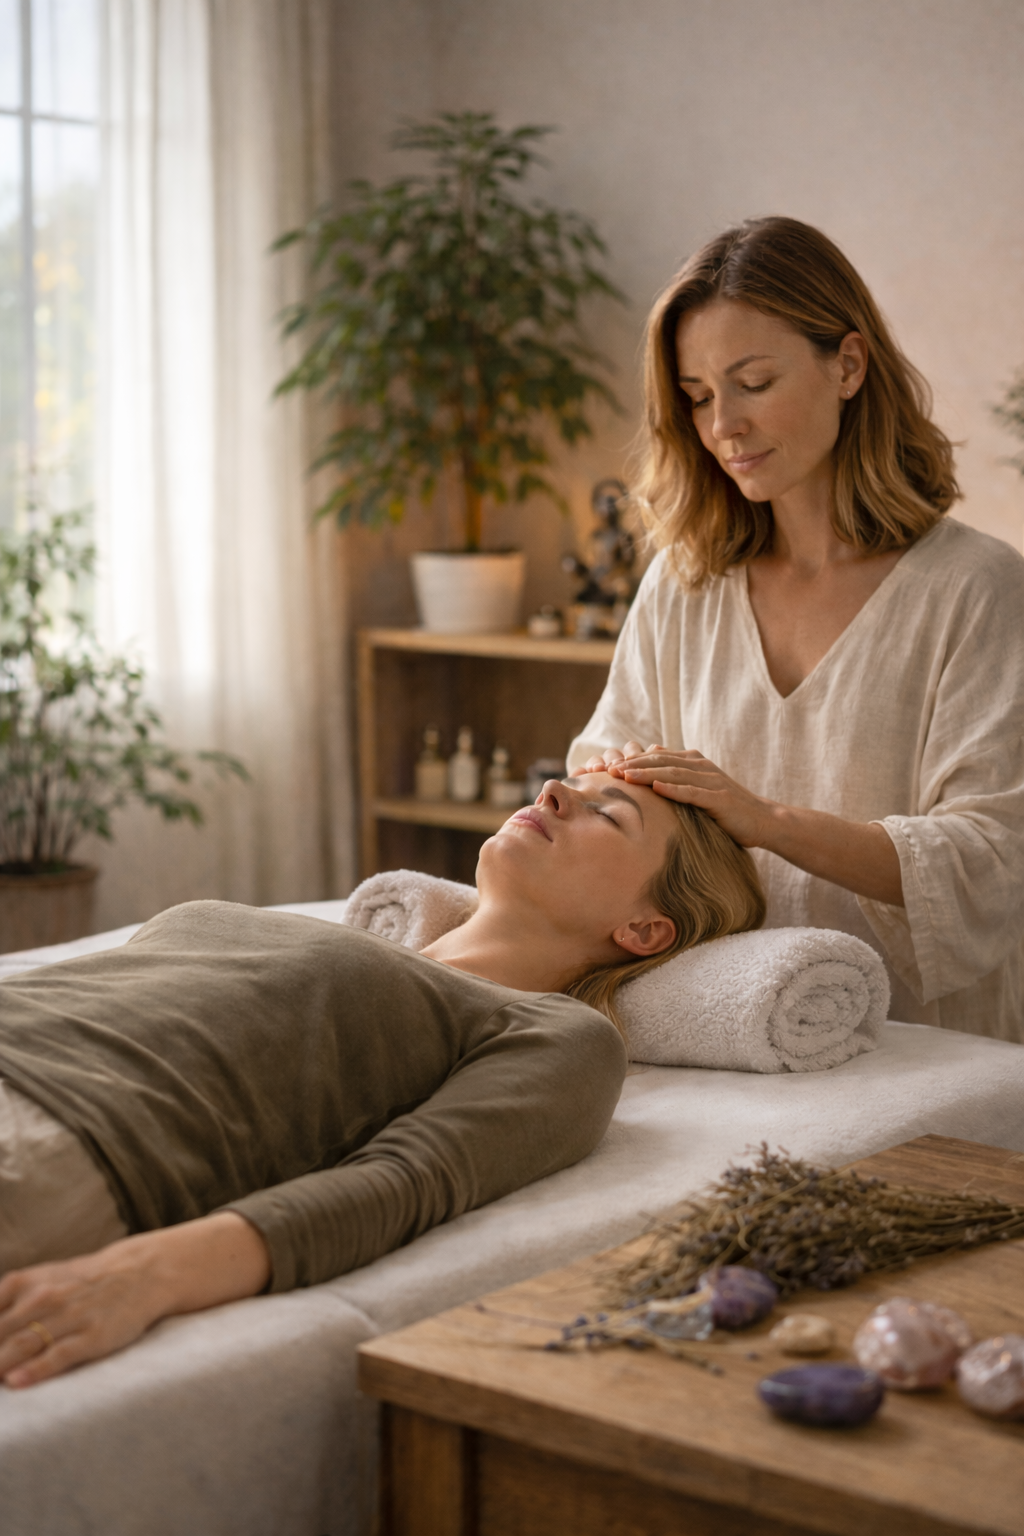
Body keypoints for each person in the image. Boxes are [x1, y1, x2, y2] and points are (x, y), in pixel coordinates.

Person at [0, 772, 764, 1389]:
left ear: (644, 929)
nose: (554, 791)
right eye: (571, 784)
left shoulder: (555, 1033)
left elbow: (404, 1183)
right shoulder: (329, 937)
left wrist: (146, 1275)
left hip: (68, 1130)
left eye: (609, 813)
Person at [571, 217, 1024, 1044]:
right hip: (727, 1043)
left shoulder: (976, 590)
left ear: (848, 365)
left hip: (926, 1053)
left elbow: (993, 860)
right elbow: (601, 775)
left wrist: (766, 822)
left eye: (753, 382)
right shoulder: (684, 583)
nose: (724, 426)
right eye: (699, 396)